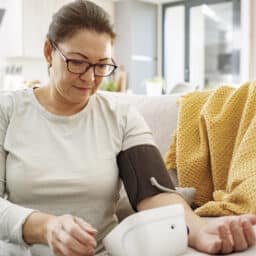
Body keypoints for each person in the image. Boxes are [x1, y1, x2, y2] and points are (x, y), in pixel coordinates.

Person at [0, 1, 256, 256]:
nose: (90, 78)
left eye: (102, 65)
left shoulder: (120, 117)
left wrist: (199, 229)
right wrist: (46, 227)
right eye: (77, 62)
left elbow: (153, 192)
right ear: (48, 51)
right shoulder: (8, 111)